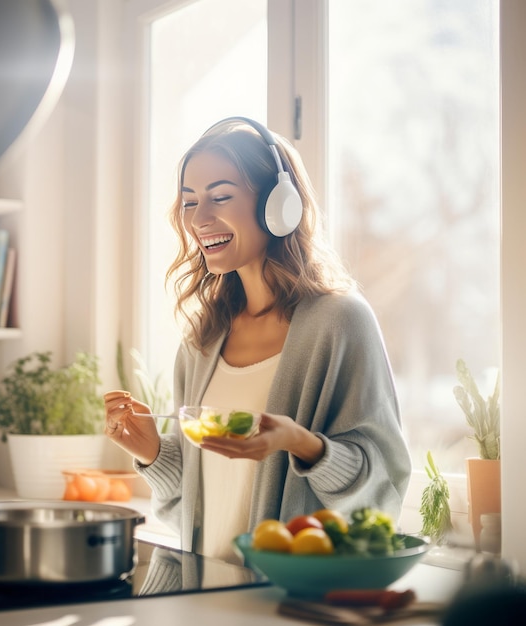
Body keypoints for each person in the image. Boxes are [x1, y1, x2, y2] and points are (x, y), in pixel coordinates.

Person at [104, 117, 411, 562]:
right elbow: (191, 513)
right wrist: (153, 453)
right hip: (207, 596)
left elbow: (381, 493)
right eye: (190, 202)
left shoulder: (340, 321)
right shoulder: (202, 340)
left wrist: (300, 443)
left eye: (221, 197)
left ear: (278, 204)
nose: (200, 219)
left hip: (290, 602)